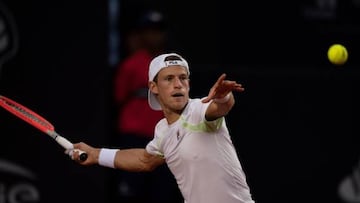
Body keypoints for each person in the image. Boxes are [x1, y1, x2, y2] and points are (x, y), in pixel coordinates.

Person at [72, 53, 256, 203]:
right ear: (154, 87)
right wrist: (96, 155)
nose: (178, 84)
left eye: (183, 78)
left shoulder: (199, 108)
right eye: (169, 79)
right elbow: (145, 160)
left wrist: (223, 97)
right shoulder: (162, 131)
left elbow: (221, 106)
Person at [111, 10, 180, 203]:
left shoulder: (174, 64)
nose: (154, 36)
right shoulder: (131, 64)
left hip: (164, 136)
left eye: (158, 31)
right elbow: (119, 96)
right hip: (135, 135)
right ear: (141, 34)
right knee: (131, 190)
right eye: (149, 31)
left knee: (162, 192)